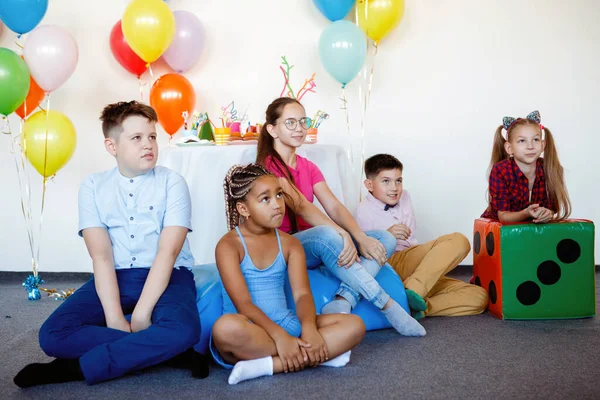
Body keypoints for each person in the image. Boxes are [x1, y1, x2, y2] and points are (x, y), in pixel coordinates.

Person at [14, 101, 207, 388]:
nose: (148, 145)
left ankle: (75, 369)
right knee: (52, 335)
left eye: (152, 136)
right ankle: (167, 354)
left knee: (185, 329)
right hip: (115, 276)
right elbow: (101, 257)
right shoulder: (93, 186)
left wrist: (142, 313)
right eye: (137, 138)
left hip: (168, 275)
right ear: (111, 146)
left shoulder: (173, 182)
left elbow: (168, 252)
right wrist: (115, 318)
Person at [256, 97, 425, 337]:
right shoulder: (269, 165)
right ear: (272, 129)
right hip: (287, 245)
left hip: (317, 244)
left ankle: (343, 299)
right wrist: (341, 233)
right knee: (328, 233)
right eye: (290, 123)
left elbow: (333, 206)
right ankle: (386, 305)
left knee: (383, 240)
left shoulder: (308, 166)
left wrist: (359, 236)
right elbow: (302, 206)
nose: (299, 128)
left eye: (303, 122)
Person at [211, 164, 366, 385]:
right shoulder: (228, 245)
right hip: (251, 331)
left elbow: (302, 295)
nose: (277, 205)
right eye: (265, 199)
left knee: (355, 325)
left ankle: (268, 365)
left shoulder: (290, 243)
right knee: (224, 329)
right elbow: (244, 304)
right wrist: (280, 337)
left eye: (279, 195)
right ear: (243, 209)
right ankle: (316, 356)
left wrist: (310, 329)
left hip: (289, 325)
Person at [355, 154, 488, 319]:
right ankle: (414, 289)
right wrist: (387, 235)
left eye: (398, 180)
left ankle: (415, 306)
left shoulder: (405, 197)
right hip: (389, 264)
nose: (394, 188)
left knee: (479, 297)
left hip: (416, 269)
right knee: (458, 240)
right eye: (386, 181)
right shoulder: (363, 211)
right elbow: (364, 256)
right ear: (369, 185)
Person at [481, 110, 571, 222]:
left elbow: (552, 208)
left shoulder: (550, 169)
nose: (530, 146)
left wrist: (547, 213)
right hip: (499, 229)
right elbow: (503, 216)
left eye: (536, 140)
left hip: (529, 230)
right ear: (509, 148)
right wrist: (526, 213)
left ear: (543, 145)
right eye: (522, 141)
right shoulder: (500, 171)